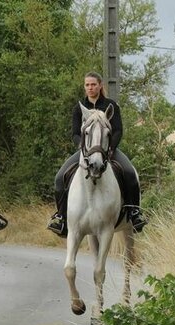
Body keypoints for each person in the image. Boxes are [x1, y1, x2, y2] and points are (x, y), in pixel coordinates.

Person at [47, 71, 147, 236]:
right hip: (86, 152)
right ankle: (61, 217)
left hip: (109, 150)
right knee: (59, 177)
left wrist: (111, 148)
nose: (90, 87)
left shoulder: (111, 105)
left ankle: (135, 213)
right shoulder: (79, 109)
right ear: (84, 87)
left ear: (100, 86)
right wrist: (82, 147)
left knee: (129, 173)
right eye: (87, 85)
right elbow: (75, 134)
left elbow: (118, 130)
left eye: (93, 84)